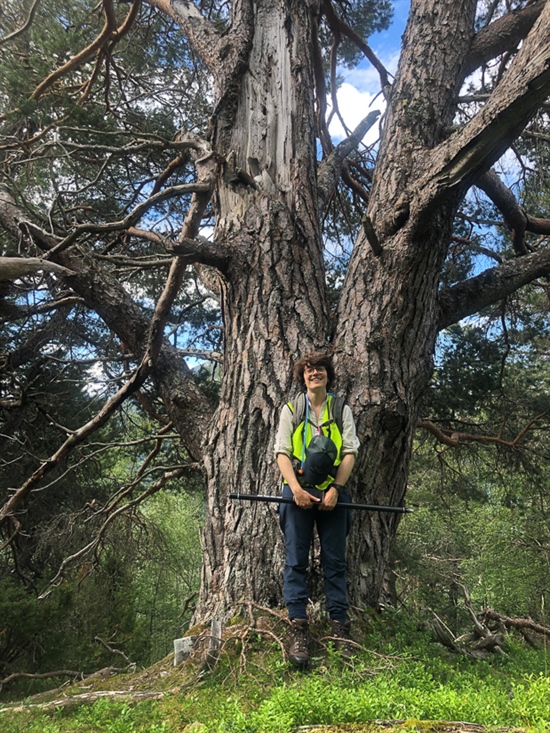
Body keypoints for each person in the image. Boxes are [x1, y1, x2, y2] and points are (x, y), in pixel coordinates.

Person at [274, 352, 360, 667]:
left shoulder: (341, 409)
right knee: (296, 561)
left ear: (328, 375)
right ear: (302, 377)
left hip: (333, 491)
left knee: (335, 562)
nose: (315, 373)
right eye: (309, 370)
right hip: (297, 489)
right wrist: (295, 490)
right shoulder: (291, 410)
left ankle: (340, 629)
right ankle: (298, 630)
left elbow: (350, 451)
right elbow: (281, 452)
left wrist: (336, 489)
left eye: (320, 369)